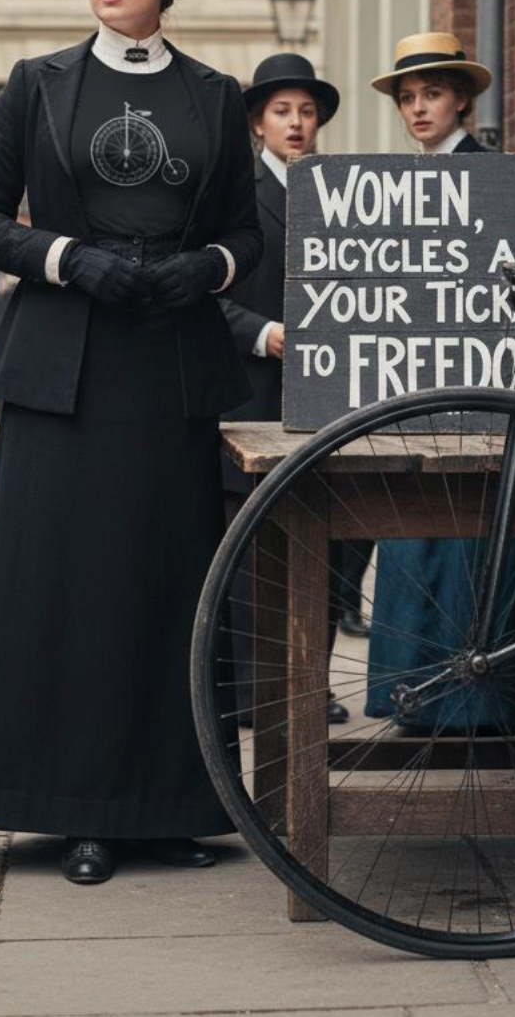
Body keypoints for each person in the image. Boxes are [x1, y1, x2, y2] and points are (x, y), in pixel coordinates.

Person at [0, 0, 263, 886]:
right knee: (66, 589)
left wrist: (196, 271)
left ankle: (163, 805)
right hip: (61, 375)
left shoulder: (215, 95)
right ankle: (74, 811)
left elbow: (245, 236)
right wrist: (66, 257)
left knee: (160, 587)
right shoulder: (36, 84)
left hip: (165, 369)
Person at [363, 32, 515, 730]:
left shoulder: (495, 176)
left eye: (432, 95)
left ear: (463, 101)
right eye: (408, 98)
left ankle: (491, 700)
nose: (418, 109)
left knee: (483, 534)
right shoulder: (395, 186)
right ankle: (414, 693)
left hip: (486, 384)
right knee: (416, 526)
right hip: (418, 379)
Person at [219, 53, 371, 728]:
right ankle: (255, 691)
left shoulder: (340, 193)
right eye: (283, 111)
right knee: (253, 552)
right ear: (258, 122)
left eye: (307, 112)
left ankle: (315, 684)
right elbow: (205, 295)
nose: (297, 123)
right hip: (251, 392)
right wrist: (262, 333)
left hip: (326, 400)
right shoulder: (233, 195)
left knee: (328, 544)